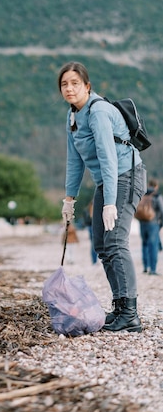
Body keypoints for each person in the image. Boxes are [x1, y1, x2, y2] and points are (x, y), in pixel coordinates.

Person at [58, 62, 145, 333]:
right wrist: (69, 199)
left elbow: (108, 157)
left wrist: (110, 202)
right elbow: (75, 161)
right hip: (106, 182)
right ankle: (119, 307)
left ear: (87, 86)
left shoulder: (98, 112)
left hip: (125, 176)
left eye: (74, 83)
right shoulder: (73, 116)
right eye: (64, 84)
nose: (69, 88)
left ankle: (130, 314)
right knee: (101, 246)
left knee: (116, 242)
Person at [139, 179, 163, 275]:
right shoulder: (157, 196)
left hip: (142, 222)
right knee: (153, 246)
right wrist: (161, 224)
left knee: (144, 244)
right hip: (153, 223)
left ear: (148, 185)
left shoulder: (142, 195)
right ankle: (152, 270)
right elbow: (162, 210)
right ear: (156, 186)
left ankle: (145, 267)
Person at [82, 200, 98, 264]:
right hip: (91, 227)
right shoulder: (87, 211)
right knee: (93, 244)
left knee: (94, 244)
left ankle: (95, 260)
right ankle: (94, 261)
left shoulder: (95, 210)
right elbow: (86, 221)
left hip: (94, 227)